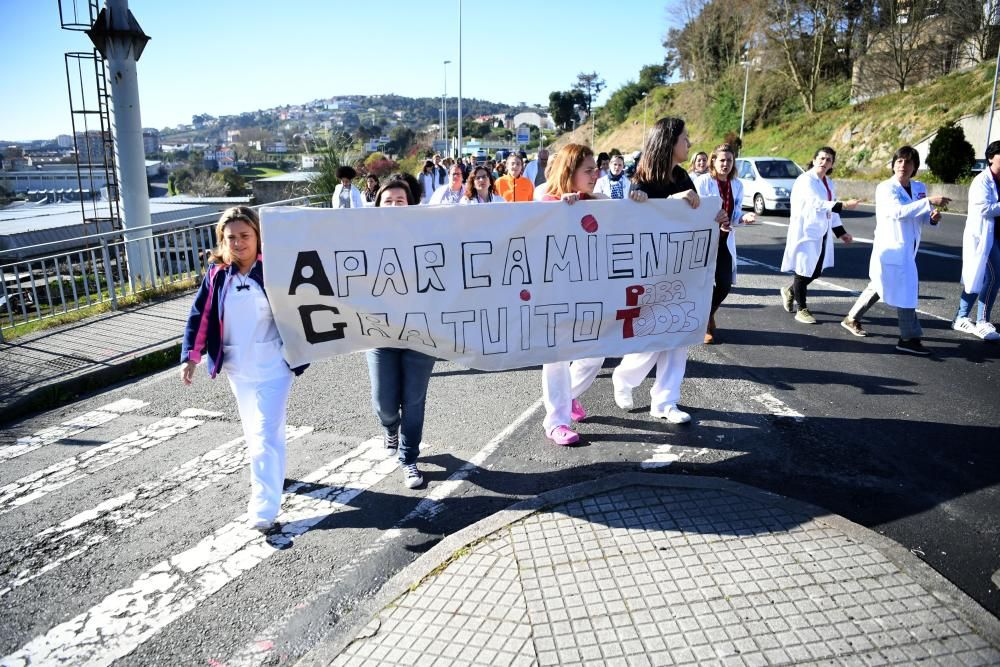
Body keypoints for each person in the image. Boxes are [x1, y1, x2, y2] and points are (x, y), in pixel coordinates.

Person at [180, 206, 306, 532]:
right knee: (259, 432)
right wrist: (191, 357)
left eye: (245, 236)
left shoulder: (274, 270)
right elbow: (201, 316)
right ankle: (274, 478)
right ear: (222, 240)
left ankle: (263, 508)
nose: (238, 243)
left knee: (264, 435)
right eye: (231, 237)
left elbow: (304, 305)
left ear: (258, 237)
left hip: (275, 367)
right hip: (238, 369)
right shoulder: (217, 275)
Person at [612, 117, 720, 425]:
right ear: (669, 142)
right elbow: (632, 219)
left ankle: (666, 401)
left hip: (682, 270)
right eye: (685, 138)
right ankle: (625, 377)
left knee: (680, 334)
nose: (690, 143)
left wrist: (714, 214)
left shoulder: (683, 175)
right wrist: (645, 200)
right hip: (650, 272)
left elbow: (693, 213)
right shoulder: (642, 177)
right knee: (654, 335)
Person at [841, 146, 951, 354]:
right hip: (891, 246)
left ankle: (851, 318)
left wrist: (932, 217)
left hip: (908, 247)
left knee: (881, 283)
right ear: (892, 165)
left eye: (908, 162)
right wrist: (927, 202)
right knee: (907, 289)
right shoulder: (885, 188)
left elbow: (920, 215)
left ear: (915, 167)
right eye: (899, 161)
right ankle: (908, 338)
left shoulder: (919, 187)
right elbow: (897, 212)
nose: (903, 165)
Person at [538, 143, 609, 445]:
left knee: (596, 354)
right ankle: (556, 422)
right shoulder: (546, 200)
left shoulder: (595, 198)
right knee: (555, 358)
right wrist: (560, 209)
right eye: (589, 170)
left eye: (596, 169)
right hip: (553, 294)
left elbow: (615, 208)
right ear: (570, 172)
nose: (596, 174)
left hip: (589, 293)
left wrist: (587, 198)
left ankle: (568, 397)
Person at [368, 178, 436, 488]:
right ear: (377, 206)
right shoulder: (361, 238)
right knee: (384, 400)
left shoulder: (428, 234)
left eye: (400, 201)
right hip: (378, 331)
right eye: (388, 201)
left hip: (421, 330)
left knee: (414, 399)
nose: (394, 206)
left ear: (411, 206)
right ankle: (389, 427)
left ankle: (409, 459)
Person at [780, 147, 860, 324]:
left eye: (829, 160)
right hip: (805, 231)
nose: (825, 162)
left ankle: (791, 291)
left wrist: (841, 232)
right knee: (803, 269)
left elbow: (831, 210)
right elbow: (816, 203)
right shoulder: (805, 180)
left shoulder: (829, 182)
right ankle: (802, 309)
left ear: (832, 164)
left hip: (821, 232)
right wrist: (844, 204)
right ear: (814, 159)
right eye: (822, 158)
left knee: (815, 271)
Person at [694, 143, 757, 344]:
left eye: (729, 160)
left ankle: (707, 314)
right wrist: (714, 220)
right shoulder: (703, 182)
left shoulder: (737, 184)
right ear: (713, 160)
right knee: (702, 283)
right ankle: (703, 324)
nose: (725, 164)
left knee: (724, 283)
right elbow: (694, 210)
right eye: (722, 160)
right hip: (704, 240)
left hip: (725, 240)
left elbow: (734, 212)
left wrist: (743, 217)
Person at [953, 139, 1000, 342]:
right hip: (984, 236)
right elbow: (983, 208)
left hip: (997, 235)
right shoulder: (982, 181)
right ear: (991, 158)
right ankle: (982, 320)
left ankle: (961, 317)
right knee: (993, 276)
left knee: (978, 276)